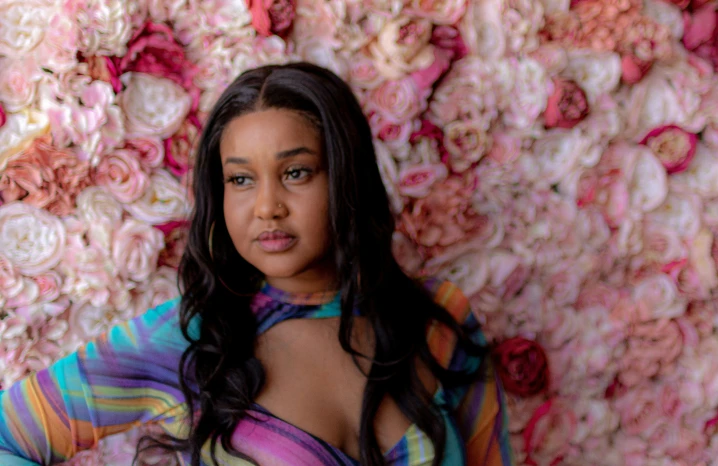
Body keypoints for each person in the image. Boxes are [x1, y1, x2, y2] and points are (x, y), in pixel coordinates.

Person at [0, 63, 514, 466]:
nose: (268, 206)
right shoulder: (192, 341)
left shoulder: (436, 317)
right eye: (241, 180)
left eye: (296, 172)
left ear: (346, 177)